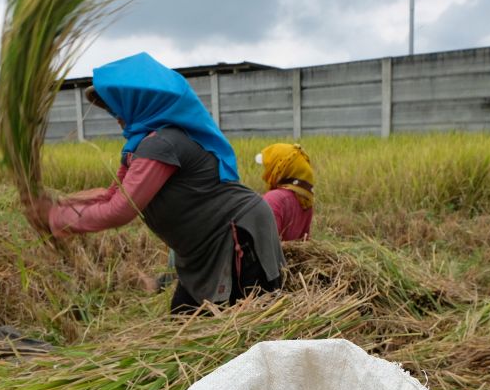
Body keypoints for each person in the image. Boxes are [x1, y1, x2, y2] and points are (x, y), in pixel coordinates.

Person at [26, 52, 284, 314]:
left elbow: (120, 209)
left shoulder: (162, 144)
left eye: (119, 106)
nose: (116, 116)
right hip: (201, 250)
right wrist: (57, 204)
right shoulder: (141, 145)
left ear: (140, 102)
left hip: (235, 237)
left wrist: (56, 219)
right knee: (185, 319)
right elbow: (111, 195)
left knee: (240, 327)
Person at [256, 143, 315, 241]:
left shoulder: (273, 199)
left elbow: (266, 243)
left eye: (268, 167)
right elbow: (304, 244)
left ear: (279, 169)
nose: (265, 173)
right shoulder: (305, 201)